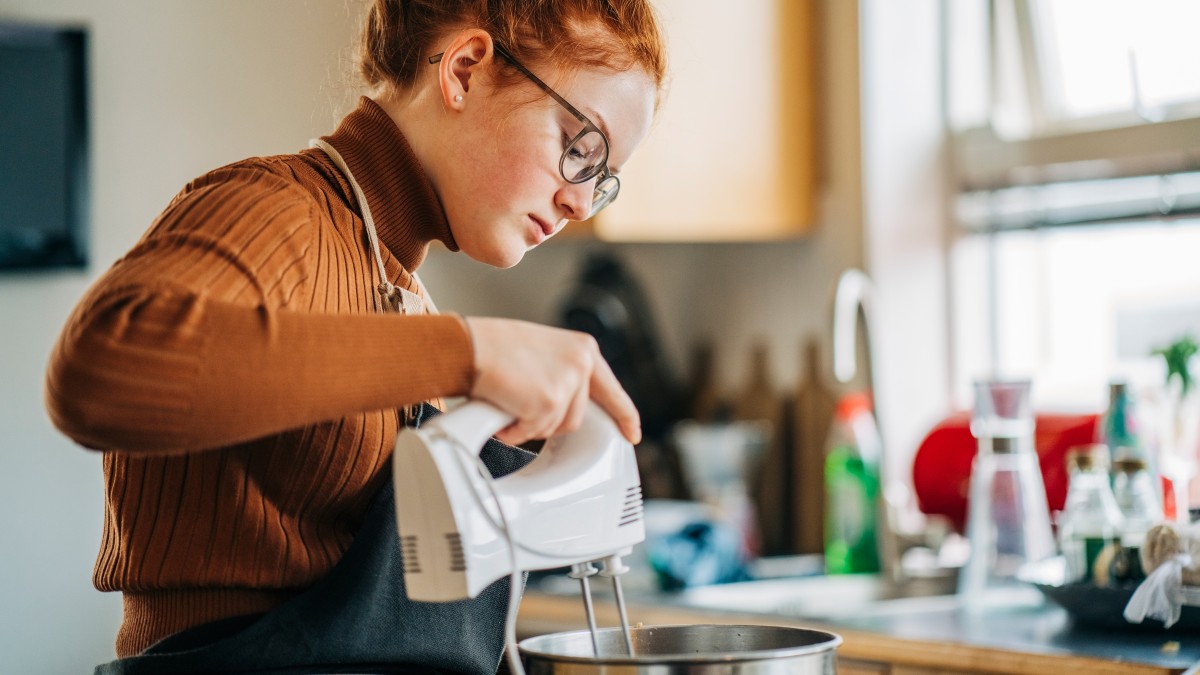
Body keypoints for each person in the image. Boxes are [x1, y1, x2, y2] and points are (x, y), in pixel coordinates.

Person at [44, 1, 666, 672]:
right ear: (464, 71)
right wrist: (472, 354)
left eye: (601, 180)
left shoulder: (396, 289)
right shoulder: (277, 212)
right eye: (581, 148)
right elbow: (103, 370)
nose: (580, 200)